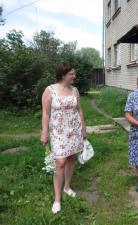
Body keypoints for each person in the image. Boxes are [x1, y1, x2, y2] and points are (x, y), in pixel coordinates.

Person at [41, 62, 86, 214]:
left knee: (72, 158)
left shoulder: (75, 90)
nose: (74, 76)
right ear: (63, 75)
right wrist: (44, 132)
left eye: (74, 73)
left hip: (74, 130)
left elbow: (79, 110)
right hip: (58, 132)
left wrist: (83, 127)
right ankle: (57, 199)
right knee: (60, 162)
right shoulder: (50, 90)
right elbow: (46, 113)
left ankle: (67, 187)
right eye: (72, 74)